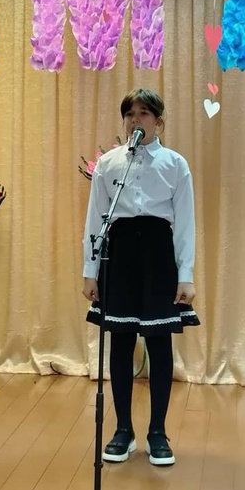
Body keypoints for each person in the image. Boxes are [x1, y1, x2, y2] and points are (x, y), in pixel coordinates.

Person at [82, 88, 198, 467]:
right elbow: (95, 219)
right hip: (120, 256)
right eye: (130, 113)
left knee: (159, 342)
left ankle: (158, 432)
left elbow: (185, 224)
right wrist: (90, 271)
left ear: (158, 122)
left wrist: (185, 275)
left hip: (158, 254)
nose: (136, 119)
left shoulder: (175, 164)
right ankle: (123, 430)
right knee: (121, 341)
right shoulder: (109, 164)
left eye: (144, 113)